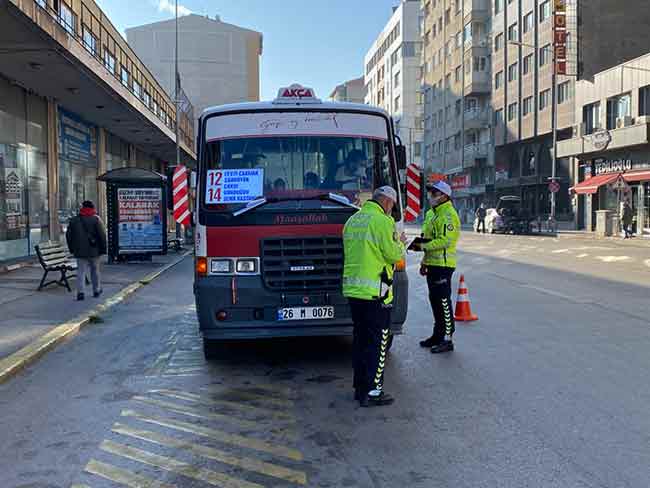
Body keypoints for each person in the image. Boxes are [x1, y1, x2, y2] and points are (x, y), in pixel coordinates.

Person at [343, 186, 406, 407]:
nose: (392, 210)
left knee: (360, 341)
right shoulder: (383, 222)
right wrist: (401, 241)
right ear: (388, 202)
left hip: (354, 291)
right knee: (377, 344)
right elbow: (394, 255)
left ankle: (359, 387)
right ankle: (372, 392)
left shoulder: (353, 220)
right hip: (376, 294)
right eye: (393, 206)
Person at [413, 181, 460, 354]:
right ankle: (437, 335)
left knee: (443, 302)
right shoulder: (431, 214)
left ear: (444, 196)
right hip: (432, 264)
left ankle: (447, 339)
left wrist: (422, 246)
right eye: (431, 192)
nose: (431, 196)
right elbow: (427, 238)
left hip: (443, 265)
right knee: (435, 302)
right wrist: (424, 262)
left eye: (434, 193)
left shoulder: (448, 215)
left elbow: (446, 240)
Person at [65, 201, 107, 301]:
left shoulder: (74, 220)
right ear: (93, 208)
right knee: (95, 270)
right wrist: (103, 249)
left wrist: (72, 248)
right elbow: (102, 236)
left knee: (80, 271)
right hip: (94, 250)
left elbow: (68, 236)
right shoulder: (96, 219)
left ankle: (80, 292)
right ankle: (96, 290)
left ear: (82, 207)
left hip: (79, 251)